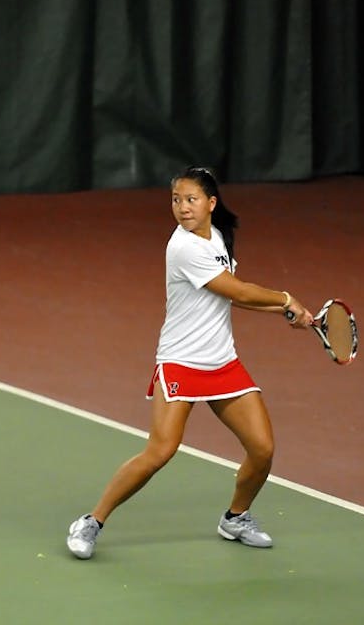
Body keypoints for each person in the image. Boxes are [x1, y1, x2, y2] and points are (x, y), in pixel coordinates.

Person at [66, 166, 314, 560]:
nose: (182, 207)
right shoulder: (183, 247)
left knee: (263, 449)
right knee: (161, 451)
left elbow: (229, 298)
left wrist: (285, 313)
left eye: (190, 199)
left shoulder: (218, 238)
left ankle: (236, 517)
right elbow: (238, 290)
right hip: (181, 362)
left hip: (223, 362)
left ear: (211, 203)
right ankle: (91, 522)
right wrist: (285, 299)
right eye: (176, 200)